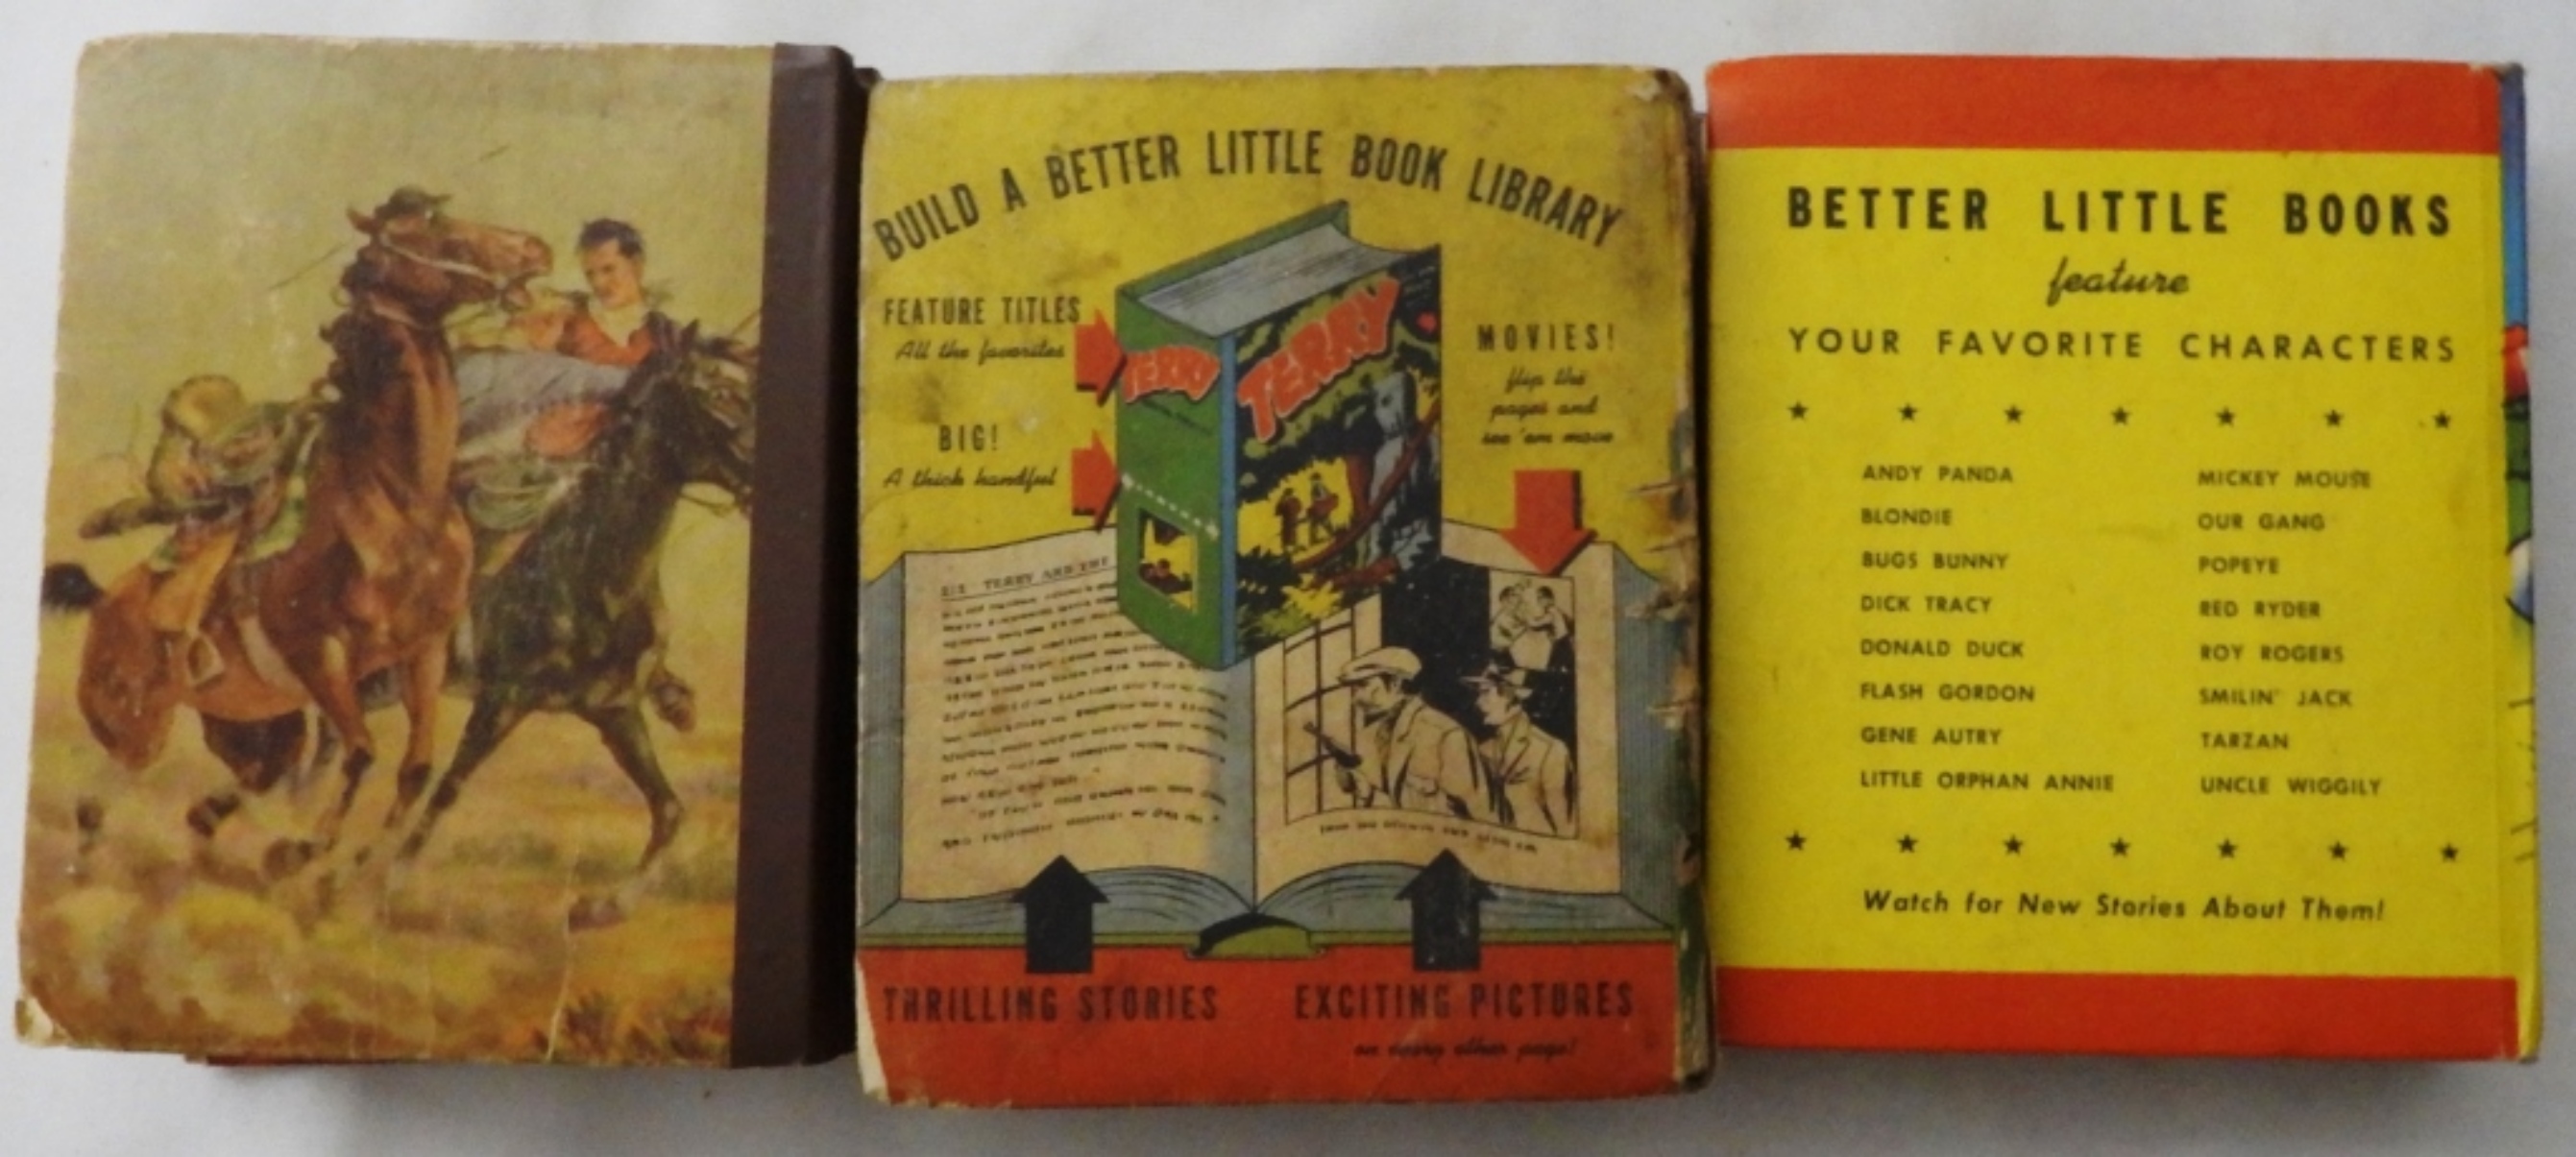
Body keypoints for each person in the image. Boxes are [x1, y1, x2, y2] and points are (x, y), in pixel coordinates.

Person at [79, 374, 328, 686]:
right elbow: (172, 494)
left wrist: (311, 406)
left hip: (264, 510)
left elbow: (291, 430)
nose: (244, 444)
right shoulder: (180, 460)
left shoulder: (271, 438)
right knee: (213, 568)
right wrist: (200, 494)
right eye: (234, 440)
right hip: (218, 526)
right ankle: (198, 641)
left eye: (246, 434)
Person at [1328, 646, 1480, 820]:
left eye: (1363, 685)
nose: (1355, 699)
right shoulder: (1368, 736)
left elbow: (1476, 815)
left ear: (1395, 683)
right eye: (1353, 689)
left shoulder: (1444, 733)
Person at [1467, 663, 1573, 836]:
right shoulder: (1484, 749)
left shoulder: (1549, 749)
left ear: (1511, 696)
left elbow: (1565, 826)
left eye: (1485, 692)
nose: (1478, 702)